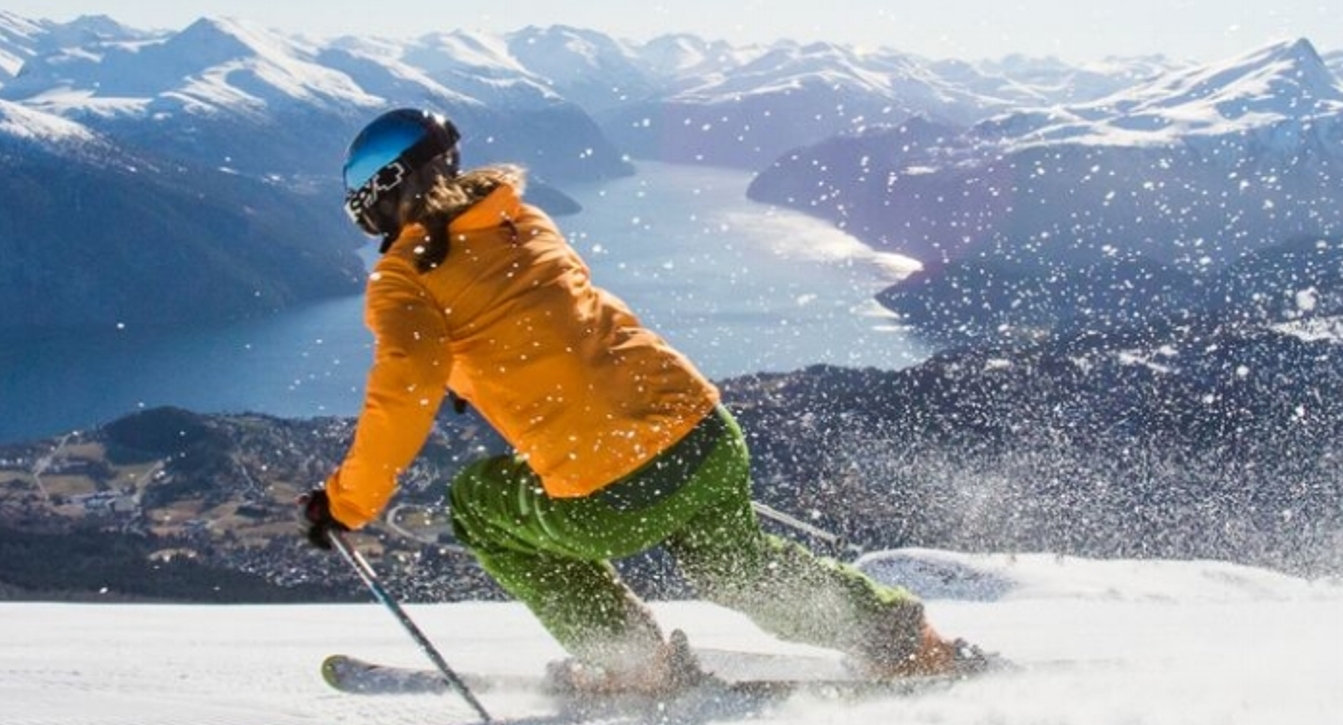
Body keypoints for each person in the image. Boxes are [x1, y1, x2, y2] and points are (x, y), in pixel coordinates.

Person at [299, 107, 985, 692]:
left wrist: (346, 502)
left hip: (608, 494)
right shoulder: (521, 220)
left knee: (478, 502)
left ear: (386, 190)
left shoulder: (402, 281)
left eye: (362, 187)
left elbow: (401, 395)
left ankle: (632, 662)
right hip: (704, 435)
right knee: (736, 566)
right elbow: (542, 321)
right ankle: (907, 642)